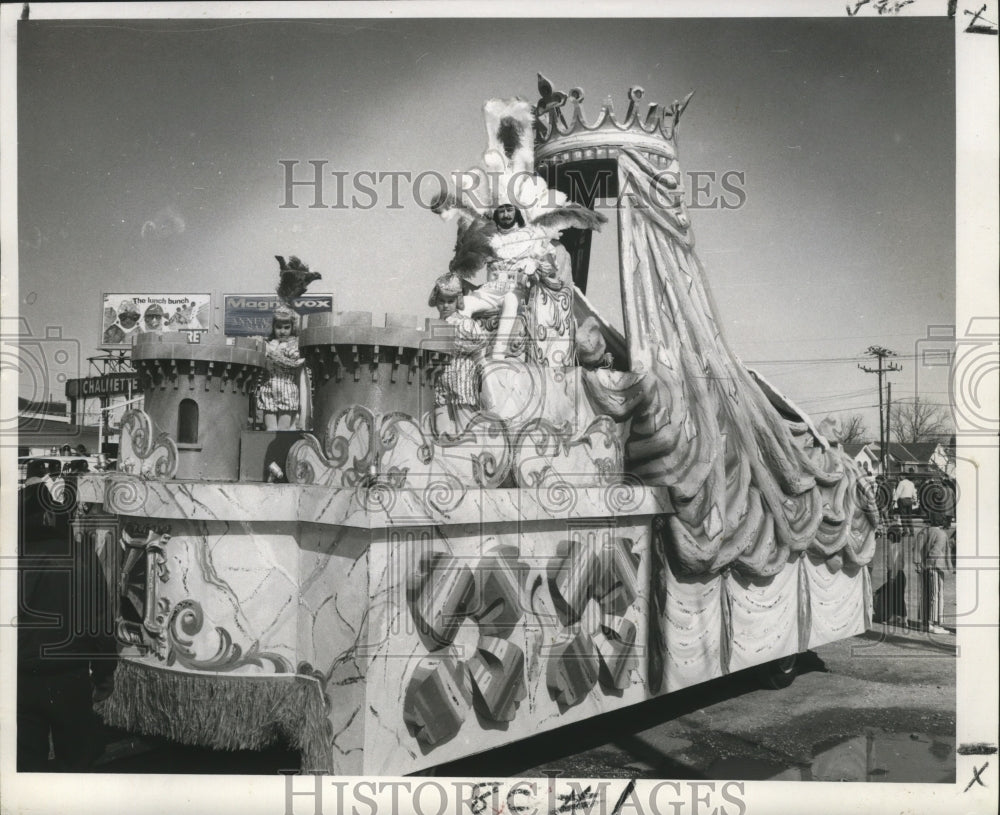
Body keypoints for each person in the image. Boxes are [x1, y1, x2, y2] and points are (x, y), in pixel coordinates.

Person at [17, 481, 116, 771]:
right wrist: (104, 673)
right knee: (76, 763)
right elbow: (100, 623)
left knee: (24, 764)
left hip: (20, 679)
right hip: (69, 678)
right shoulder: (83, 556)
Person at [457, 204, 556, 360]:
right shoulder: (488, 237)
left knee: (510, 299)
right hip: (490, 290)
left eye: (509, 210)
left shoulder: (532, 236)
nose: (505, 215)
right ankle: (467, 350)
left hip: (517, 290)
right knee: (465, 303)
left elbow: (551, 266)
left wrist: (534, 264)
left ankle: (498, 355)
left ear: (517, 212)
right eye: (501, 211)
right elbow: (468, 262)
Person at [428, 273, 489, 422]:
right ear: (436, 302)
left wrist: (457, 346)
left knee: (464, 424)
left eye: (450, 301)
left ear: (458, 301)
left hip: (463, 381)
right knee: (442, 428)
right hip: (440, 381)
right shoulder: (433, 325)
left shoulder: (467, 323)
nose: (446, 305)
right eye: (442, 301)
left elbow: (482, 344)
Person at [256, 306, 306, 431]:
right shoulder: (269, 343)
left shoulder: (293, 344)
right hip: (268, 387)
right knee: (270, 428)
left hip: (287, 388)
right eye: (278, 327)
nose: (282, 331)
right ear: (273, 327)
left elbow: (297, 360)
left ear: (292, 328)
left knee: (283, 429)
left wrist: (273, 355)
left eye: (286, 327)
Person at [914, 514, 955, 634]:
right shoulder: (941, 534)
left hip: (923, 567)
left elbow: (916, 549)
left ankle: (924, 623)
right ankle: (933, 624)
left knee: (925, 594)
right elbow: (935, 552)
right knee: (935, 595)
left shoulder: (923, 531)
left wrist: (919, 565)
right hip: (935, 567)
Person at [893, 470, 917, 535]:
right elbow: (914, 492)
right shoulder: (911, 483)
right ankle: (912, 531)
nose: (899, 477)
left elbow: (898, 492)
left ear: (903, 476)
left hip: (902, 500)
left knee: (903, 516)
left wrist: (894, 500)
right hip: (909, 500)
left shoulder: (901, 483)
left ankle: (905, 531)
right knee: (909, 516)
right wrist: (914, 500)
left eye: (900, 475)